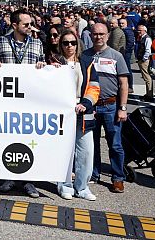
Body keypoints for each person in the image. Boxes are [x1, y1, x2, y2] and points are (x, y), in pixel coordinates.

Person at [0, 9, 47, 198]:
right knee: (8, 140)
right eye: (26, 24)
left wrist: (43, 67)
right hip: (8, 101)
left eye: (30, 24)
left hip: (30, 101)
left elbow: (44, 68)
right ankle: (9, 176)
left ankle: (29, 181)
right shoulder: (1, 41)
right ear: (14, 26)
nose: (30, 27)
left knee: (30, 142)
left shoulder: (38, 43)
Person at [82, 23, 129, 193]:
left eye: (102, 34)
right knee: (91, 143)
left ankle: (118, 177)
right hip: (91, 108)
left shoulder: (116, 56)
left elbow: (124, 84)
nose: (98, 37)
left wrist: (122, 108)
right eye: (95, 34)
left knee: (115, 144)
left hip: (111, 106)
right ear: (90, 35)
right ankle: (94, 174)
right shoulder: (85, 56)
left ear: (107, 36)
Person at [55, 29, 100, 201]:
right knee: (64, 151)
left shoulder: (87, 62)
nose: (69, 46)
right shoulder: (55, 62)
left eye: (72, 43)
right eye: (65, 43)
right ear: (61, 45)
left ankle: (82, 186)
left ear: (78, 44)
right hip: (63, 113)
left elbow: (94, 87)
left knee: (86, 152)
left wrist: (86, 103)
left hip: (83, 113)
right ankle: (64, 185)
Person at [135, 25, 154, 102]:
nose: (138, 32)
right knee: (146, 77)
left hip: (144, 60)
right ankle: (148, 94)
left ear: (144, 31)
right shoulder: (142, 38)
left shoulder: (147, 38)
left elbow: (148, 50)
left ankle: (149, 95)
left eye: (140, 30)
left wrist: (144, 59)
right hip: (141, 59)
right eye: (138, 30)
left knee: (147, 77)